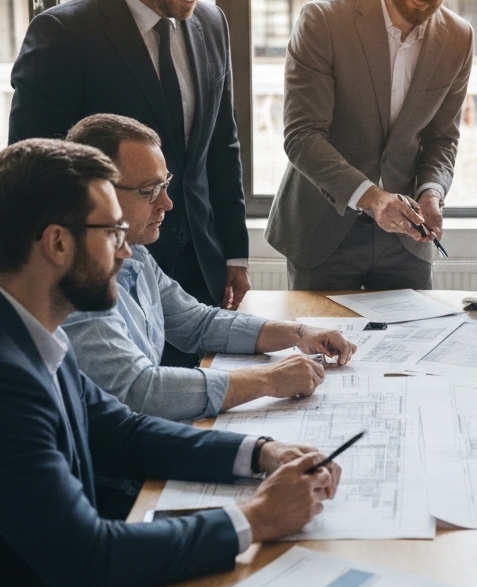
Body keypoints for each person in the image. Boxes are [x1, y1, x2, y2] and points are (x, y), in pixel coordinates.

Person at [0, 140, 339, 587]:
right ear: (56, 243)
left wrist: (258, 453)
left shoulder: (20, 323)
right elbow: (88, 560)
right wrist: (255, 519)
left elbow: (120, 431)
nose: (127, 251)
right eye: (112, 233)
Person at [9, 0, 251, 329]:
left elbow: (222, 145)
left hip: (203, 265)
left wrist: (234, 250)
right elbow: (34, 173)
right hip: (106, 275)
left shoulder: (212, 23)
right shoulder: (64, 35)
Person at [63, 114, 356, 422]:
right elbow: (140, 391)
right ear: (99, 191)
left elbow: (198, 324)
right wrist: (268, 379)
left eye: (165, 185)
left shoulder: (136, 255)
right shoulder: (79, 286)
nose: (167, 203)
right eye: (149, 190)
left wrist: (300, 333)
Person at [266, 0, 475, 290]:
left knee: (416, 349)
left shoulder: (458, 37)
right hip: (323, 232)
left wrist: (432, 191)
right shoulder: (323, 22)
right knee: (323, 349)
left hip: (407, 241)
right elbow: (302, 136)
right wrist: (373, 198)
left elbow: (441, 138)